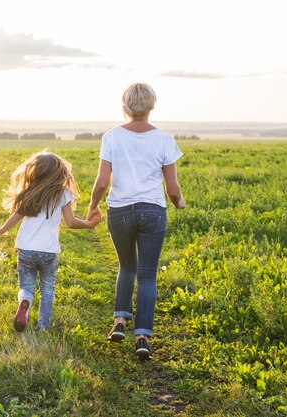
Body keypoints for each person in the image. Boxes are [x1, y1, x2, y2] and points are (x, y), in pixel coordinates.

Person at [88, 83, 186, 360]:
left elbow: (102, 181)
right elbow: (173, 189)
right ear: (152, 105)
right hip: (153, 211)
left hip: (119, 210)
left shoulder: (111, 137)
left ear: (125, 106)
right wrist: (179, 203)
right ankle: (142, 337)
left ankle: (119, 321)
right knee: (147, 275)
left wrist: (93, 205)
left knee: (126, 267)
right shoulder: (165, 139)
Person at [0, 152, 101, 332]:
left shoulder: (29, 192)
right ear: (59, 172)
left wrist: (1, 230)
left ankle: (25, 302)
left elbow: (16, 217)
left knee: (26, 287)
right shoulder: (63, 194)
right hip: (49, 251)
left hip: (26, 248)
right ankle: (42, 327)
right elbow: (71, 222)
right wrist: (89, 223)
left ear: (35, 171)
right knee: (47, 290)